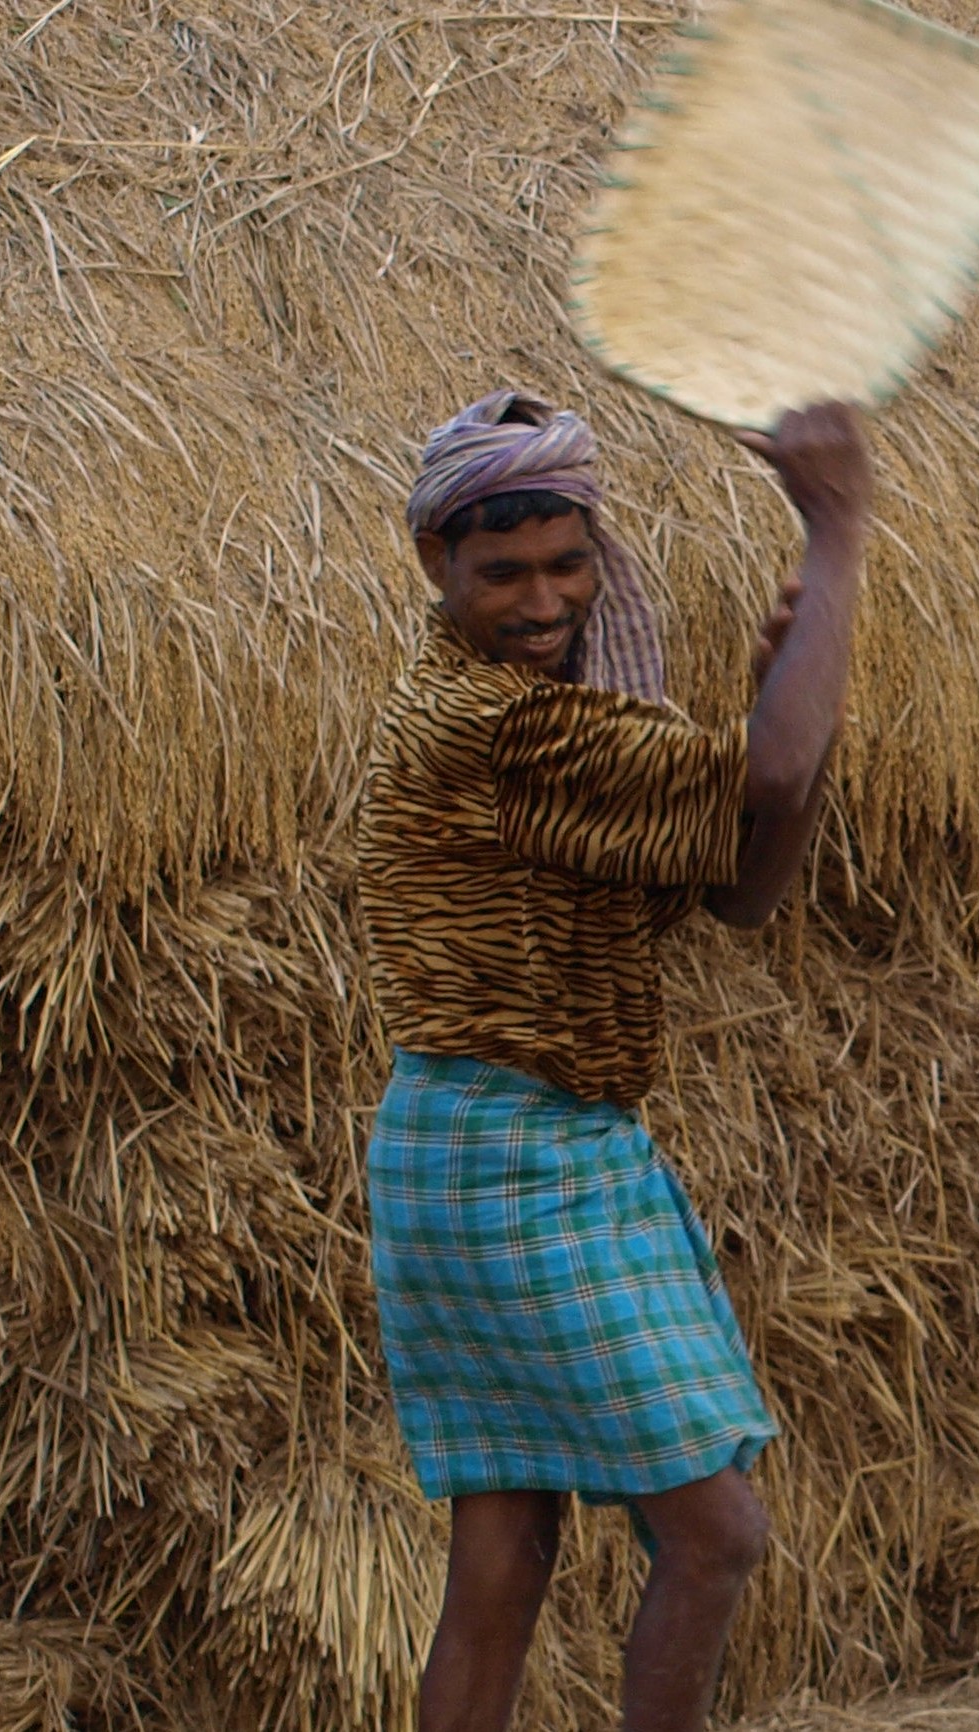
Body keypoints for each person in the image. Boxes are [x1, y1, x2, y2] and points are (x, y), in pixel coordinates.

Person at [355, 390, 870, 1732]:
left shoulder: (557, 716)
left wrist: (785, 719)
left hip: (538, 1146)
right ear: (436, 567)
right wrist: (838, 533)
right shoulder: (498, 728)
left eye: (567, 564)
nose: (542, 600)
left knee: (502, 1563)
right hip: (502, 1154)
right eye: (503, 573)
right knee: (716, 1533)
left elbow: (744, 890)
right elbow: (767, 772)